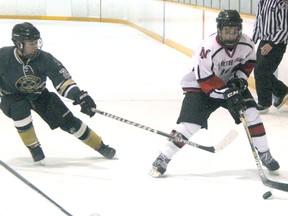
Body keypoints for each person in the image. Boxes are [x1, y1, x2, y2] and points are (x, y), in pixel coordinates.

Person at [149, 10, 280, 178]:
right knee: (190, 125)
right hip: (200, 86)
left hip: (229, 84)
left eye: (234, 31)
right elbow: (205, 80)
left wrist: (239, 80)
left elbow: (248, 63)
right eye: (226, 30)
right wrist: (227, 93)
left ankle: (264, 153)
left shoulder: (247, 43)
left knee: (252, 113)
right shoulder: (207, 48)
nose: (231, 35)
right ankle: (163, 157)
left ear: (240, 30)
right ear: (219, 29)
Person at [0, 22, 116, 163]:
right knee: (19, 108)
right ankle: (34, 148)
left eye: (36, 42)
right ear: (19, 44)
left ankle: (100, 146)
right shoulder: (3, 57)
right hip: (11, 97)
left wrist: (79, 96)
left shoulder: (45, 59)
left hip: (38, 94)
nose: (36, 46)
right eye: (31, 43)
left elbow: (62, 81)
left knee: (69, 122)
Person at [252, 0, 288, 113]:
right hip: (264, 41)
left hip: (277, 43)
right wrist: (251, 42)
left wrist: (272, 44)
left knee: (261, 70)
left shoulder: (281, 2)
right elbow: (258, 24)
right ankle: (282, 91)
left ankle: (264, 103)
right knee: (260, 71)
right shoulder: (262, 2)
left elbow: (285, 28)